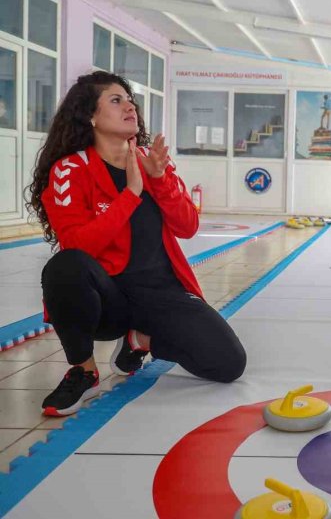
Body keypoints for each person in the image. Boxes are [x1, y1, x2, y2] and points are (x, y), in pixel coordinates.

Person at [26, 71, 247, 417]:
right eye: (116, 101)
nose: (130, 106)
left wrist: (159, 180)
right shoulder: (70, 170)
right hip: (108, 298)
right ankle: (84, 371)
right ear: (90, 116)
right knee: (64, 266)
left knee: (228, 363)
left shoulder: (151, 159)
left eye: (131, 100)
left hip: (160, 293)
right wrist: (130, 194)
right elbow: (77, 243)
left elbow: (187, 227)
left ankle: (139, 340)